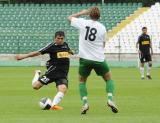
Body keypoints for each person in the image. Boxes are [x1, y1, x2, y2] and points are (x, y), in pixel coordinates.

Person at [67, 7, 118, 114]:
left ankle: (85, 103)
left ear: (89, 15)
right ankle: (110, 99)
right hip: (99, 59)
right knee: (108, 78)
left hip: (85, 59)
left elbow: (69, 18)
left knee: (82, 81)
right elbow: (103, 44)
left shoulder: (83, 23)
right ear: (99, 16)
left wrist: (82, 12)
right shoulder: (102, 28)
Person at [15, 31, 73, 110]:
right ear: (54, 38)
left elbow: (68, 51)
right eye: (58, 38)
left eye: (61, 38)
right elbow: (37, 52)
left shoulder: (65, 45)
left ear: (64, 38)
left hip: (63, 73)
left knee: (63, 88)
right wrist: (24, 56)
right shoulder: (51, 46)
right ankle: (37, 73)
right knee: (35, 86)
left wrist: (71, 52)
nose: (60, 40)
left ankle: (53, 105)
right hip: (53, 72)